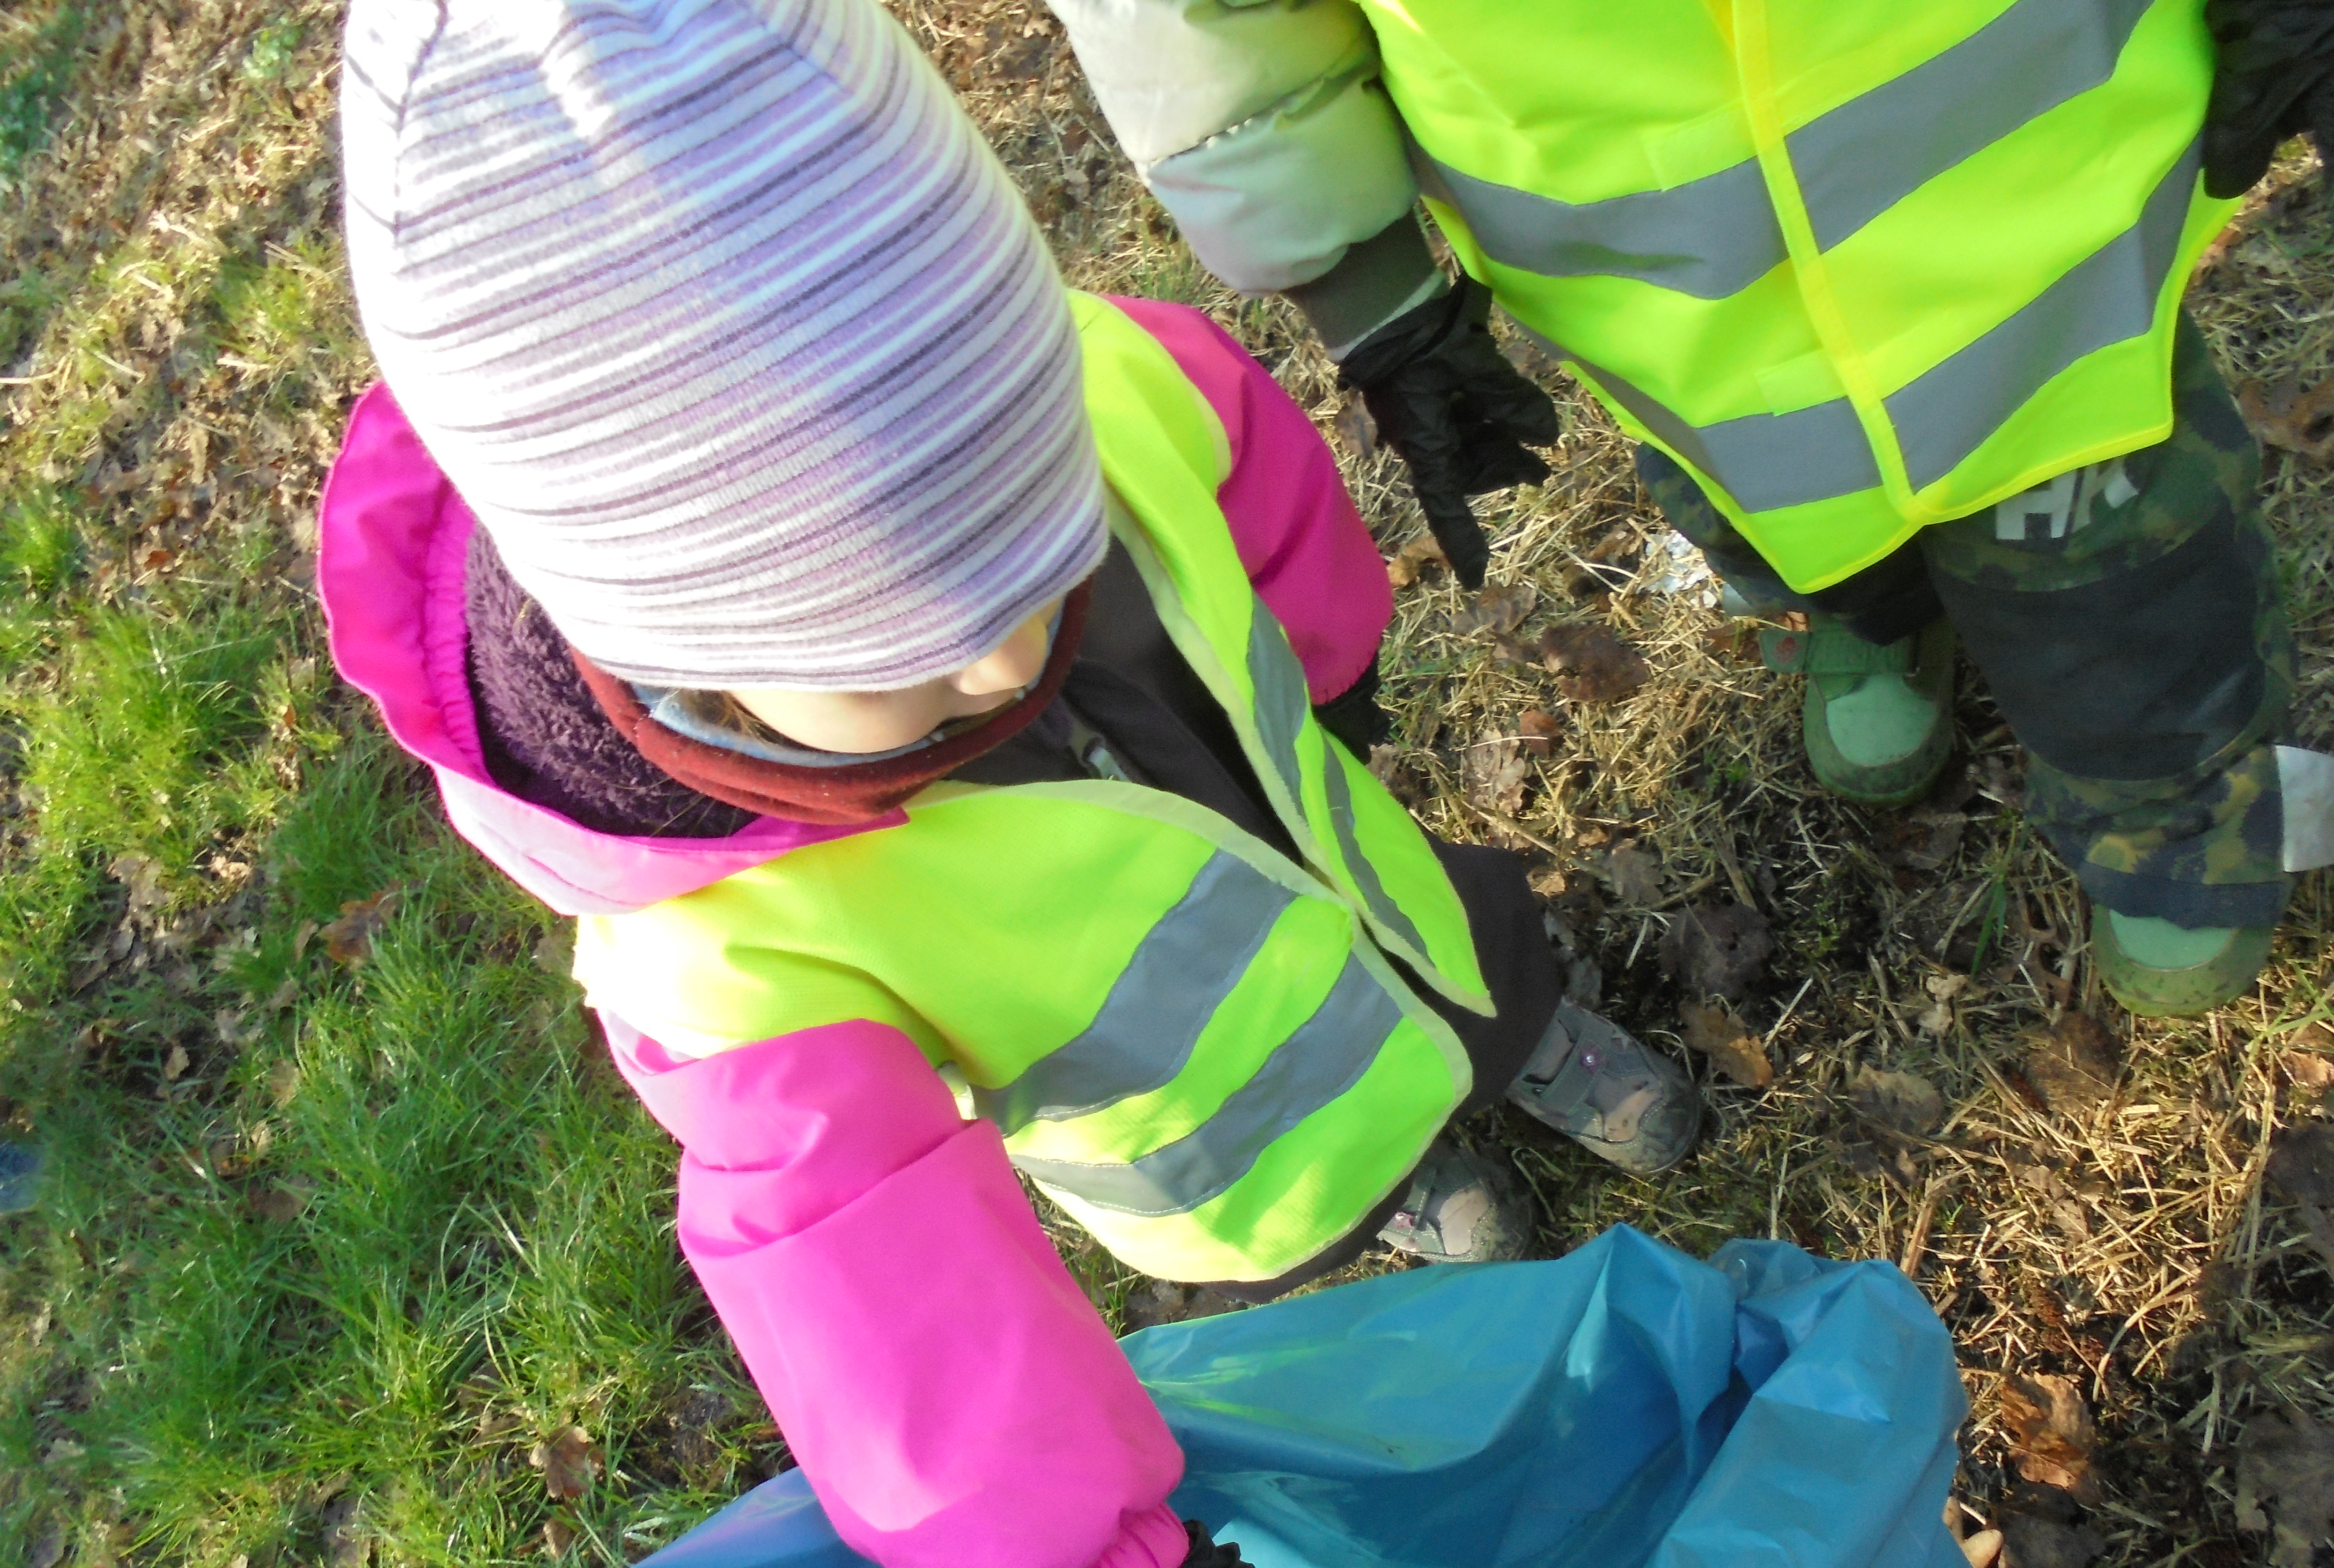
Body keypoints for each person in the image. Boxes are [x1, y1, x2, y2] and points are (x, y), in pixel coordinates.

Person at [326, 3, 1702, 1566]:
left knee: (1460, 940)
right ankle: (1398, 1171)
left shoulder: (1106, 379)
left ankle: (1516, 1036)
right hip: (1226, 1137)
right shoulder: (725, 968)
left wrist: (1333, 670)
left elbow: (1246, 472)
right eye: (903, 643)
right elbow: (907, 1337)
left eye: (1046, 523)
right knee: (1318, 1142)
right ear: (682, 647)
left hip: (1376, 888)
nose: (1007, 663)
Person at [1042, 0, 2334, 1017]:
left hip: (2026, 167)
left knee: (2117, 546)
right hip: (1656, 258)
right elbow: (1186, 23)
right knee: (1770, 483)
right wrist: (1364, 281)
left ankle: (2171, 815)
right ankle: (1873, 616)